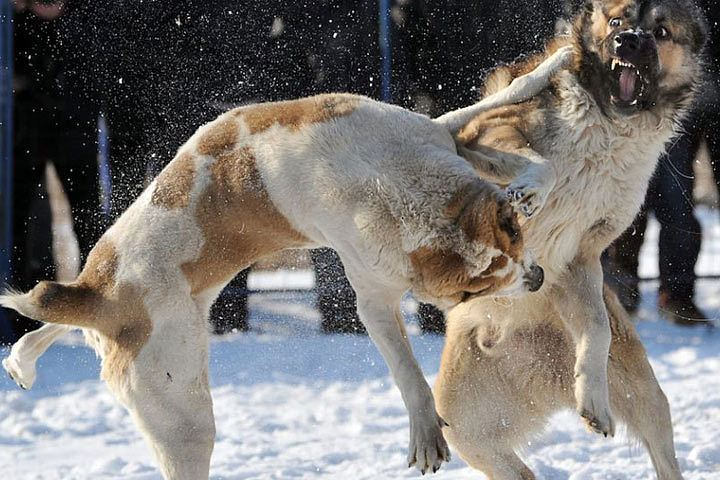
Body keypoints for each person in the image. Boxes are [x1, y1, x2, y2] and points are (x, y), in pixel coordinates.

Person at [604, 0, 718, 326]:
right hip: (648, 103)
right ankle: (621, 292)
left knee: (677, 205)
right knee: (633, 204)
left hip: (690, 103)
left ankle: (677, 295)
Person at [3, 0, 103, 342]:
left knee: (88, 215)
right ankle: (19, 314)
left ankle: (100, 305)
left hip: (71, 110)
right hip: (21, 114)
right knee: (16, 220)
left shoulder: (83, 19)